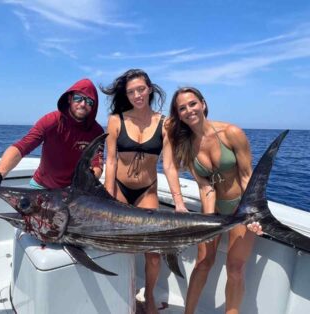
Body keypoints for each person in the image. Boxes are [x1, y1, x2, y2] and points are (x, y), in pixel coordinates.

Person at [166, 87, 262, 314]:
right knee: (203, 263)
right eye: (182, 108)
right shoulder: (186, 144)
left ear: (203, 104)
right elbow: (205, 185)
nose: (189, 110)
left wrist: (252, 213)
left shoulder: (231, 133)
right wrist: (209, 220)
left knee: (235, 268)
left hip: (240, 205)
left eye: (192, 104)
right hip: (214, 208)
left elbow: (248, 175)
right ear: (178, 114)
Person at [101, 69, 187, 314]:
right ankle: (123, 294)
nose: (136, 95)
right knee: (119, 246)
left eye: (140, 89)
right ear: (126, 95)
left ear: (149, 88)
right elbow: (111, 161)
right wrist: (108, 196)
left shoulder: (165, 123)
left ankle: (148, 296)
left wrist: (179, 202)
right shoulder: (116, 119)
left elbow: (169, 165)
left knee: (153, 253)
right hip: (120, 188)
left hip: (146, 190)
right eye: (131, 92)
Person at [0, 78, 104, 191]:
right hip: (41, 188)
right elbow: (23, 146)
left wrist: (86, 183)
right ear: (70, 99)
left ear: (94, 106)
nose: (83, 104)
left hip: (73, 192)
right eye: (78, 98)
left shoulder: (97, 132)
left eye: (89, 101)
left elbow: (96, 164)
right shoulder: (51, 121)